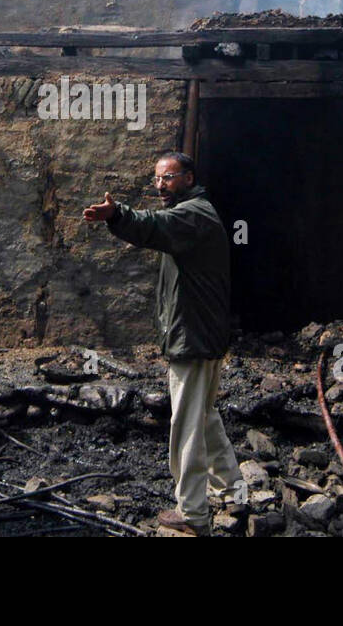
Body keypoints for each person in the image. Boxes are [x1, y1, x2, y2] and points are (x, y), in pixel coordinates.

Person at [83, 151, 239, 536]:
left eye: (168, 178)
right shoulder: (194, 213)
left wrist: (118, 215)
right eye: (157, 179)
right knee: (203, 415)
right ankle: (235, 489)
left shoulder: (194, 214)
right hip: (199, 335)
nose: (160, 186)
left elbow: (153, 226)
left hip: (195, 336)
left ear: (188, 178)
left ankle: (193, 513)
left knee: (185, 423)